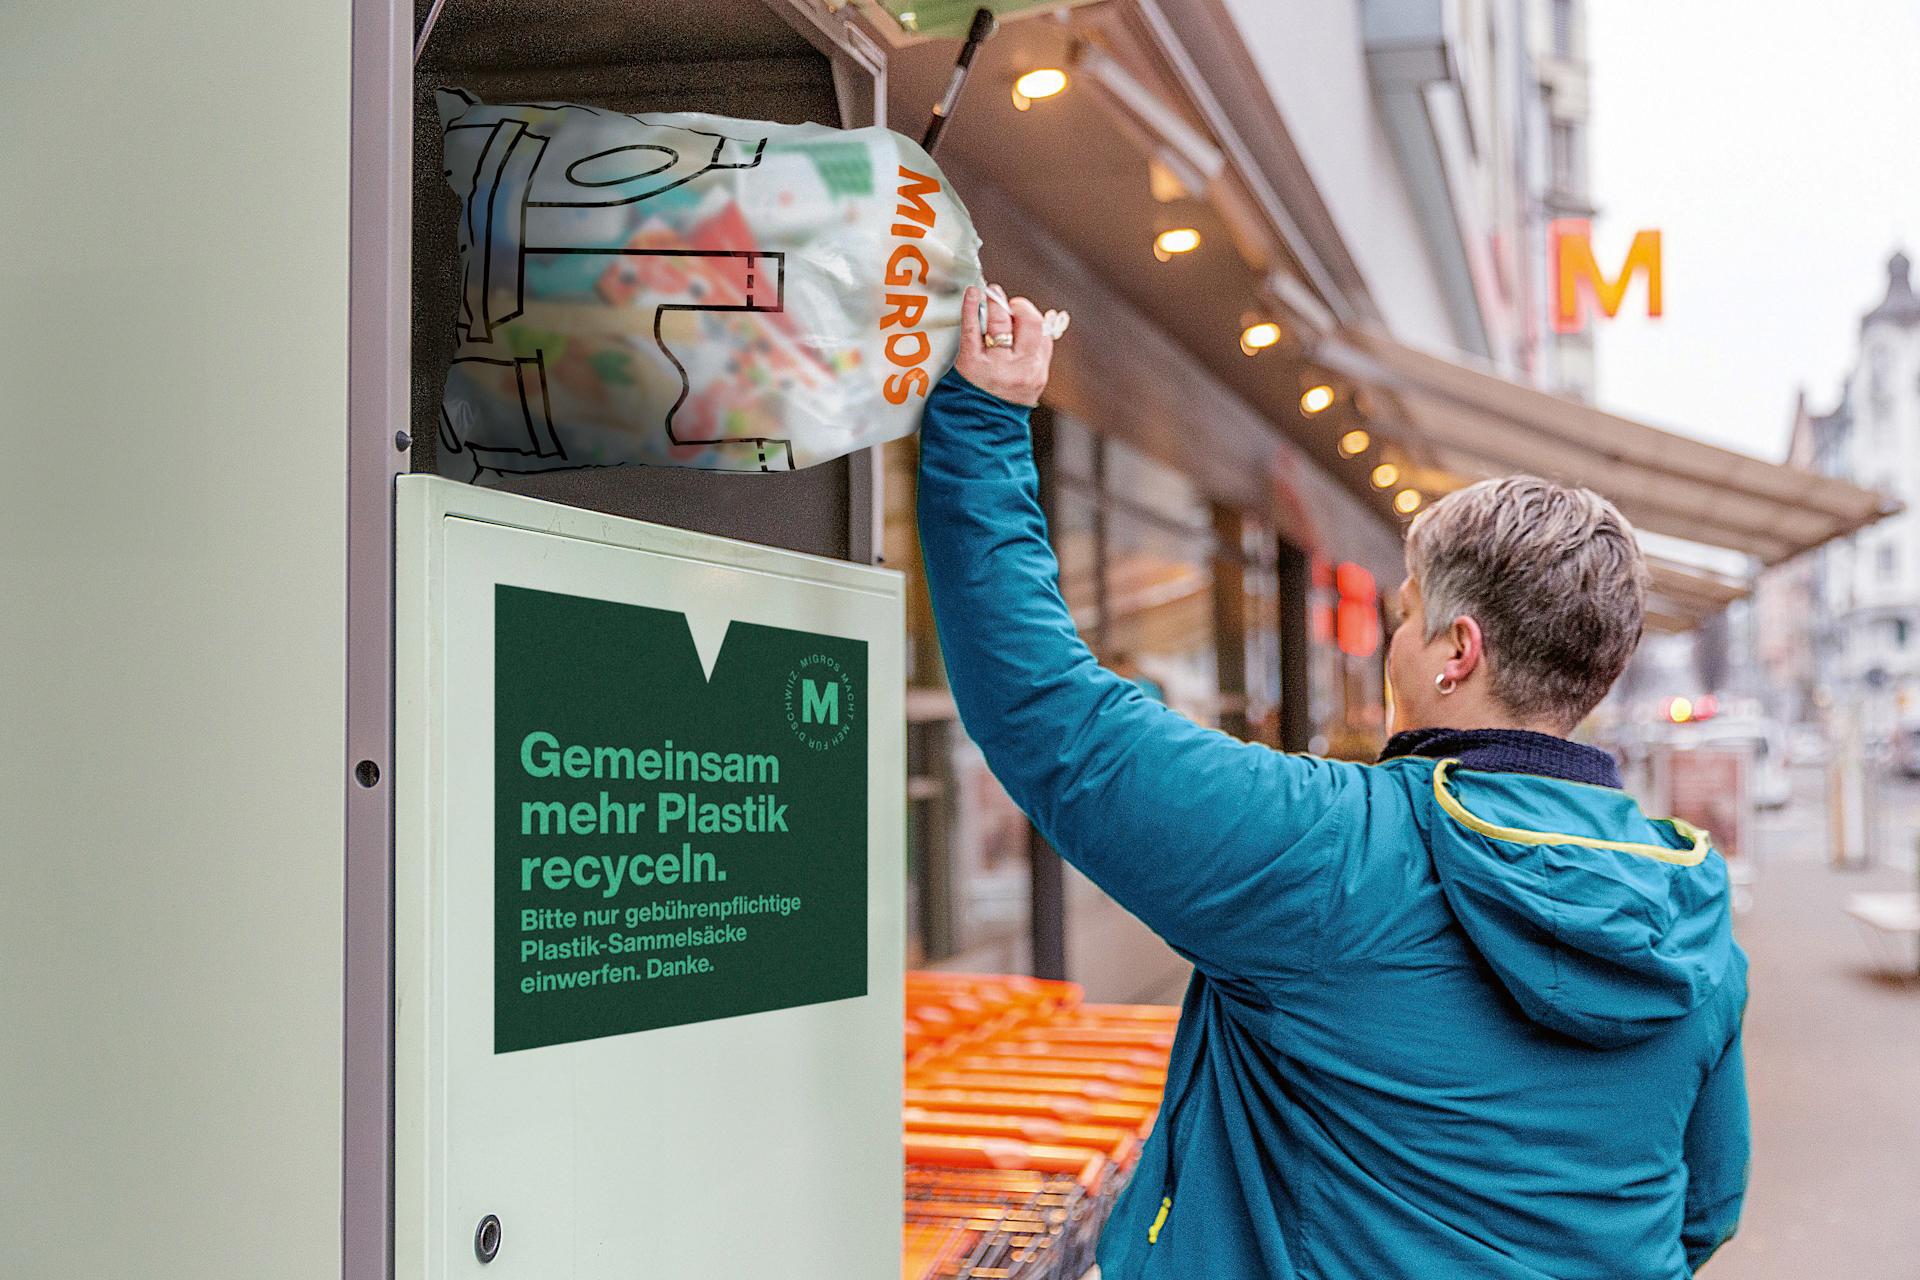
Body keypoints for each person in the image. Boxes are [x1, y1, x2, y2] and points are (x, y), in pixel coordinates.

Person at [914, 284, 1749, 1279]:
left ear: (1456, 650)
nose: (1391, 642)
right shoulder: (1689, 905)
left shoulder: (1334, 850)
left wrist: (986, 413)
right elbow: (1703, 1206)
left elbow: (1052, 717)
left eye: (1403, 615)